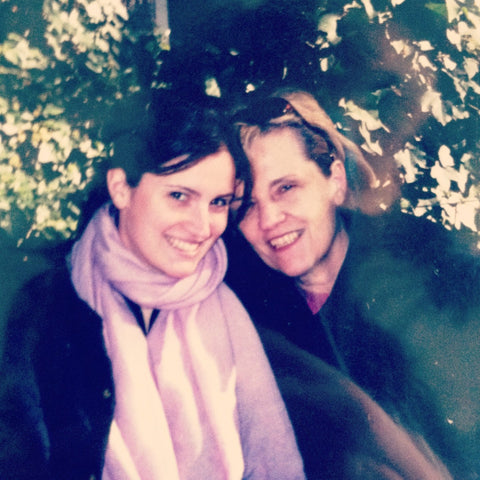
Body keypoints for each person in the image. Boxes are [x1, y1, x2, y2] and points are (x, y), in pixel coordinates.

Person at [0, 91, 306, 480]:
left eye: (218, 203)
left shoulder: (239, 301)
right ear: (121, 188)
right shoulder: (42, 310)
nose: (202, 227)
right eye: (179, 196)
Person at [225, 88, 480, 479]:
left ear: (336, 182)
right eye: (247, 205)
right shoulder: (255, 327)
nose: (268, 219)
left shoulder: (430, 281)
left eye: (286, 188)